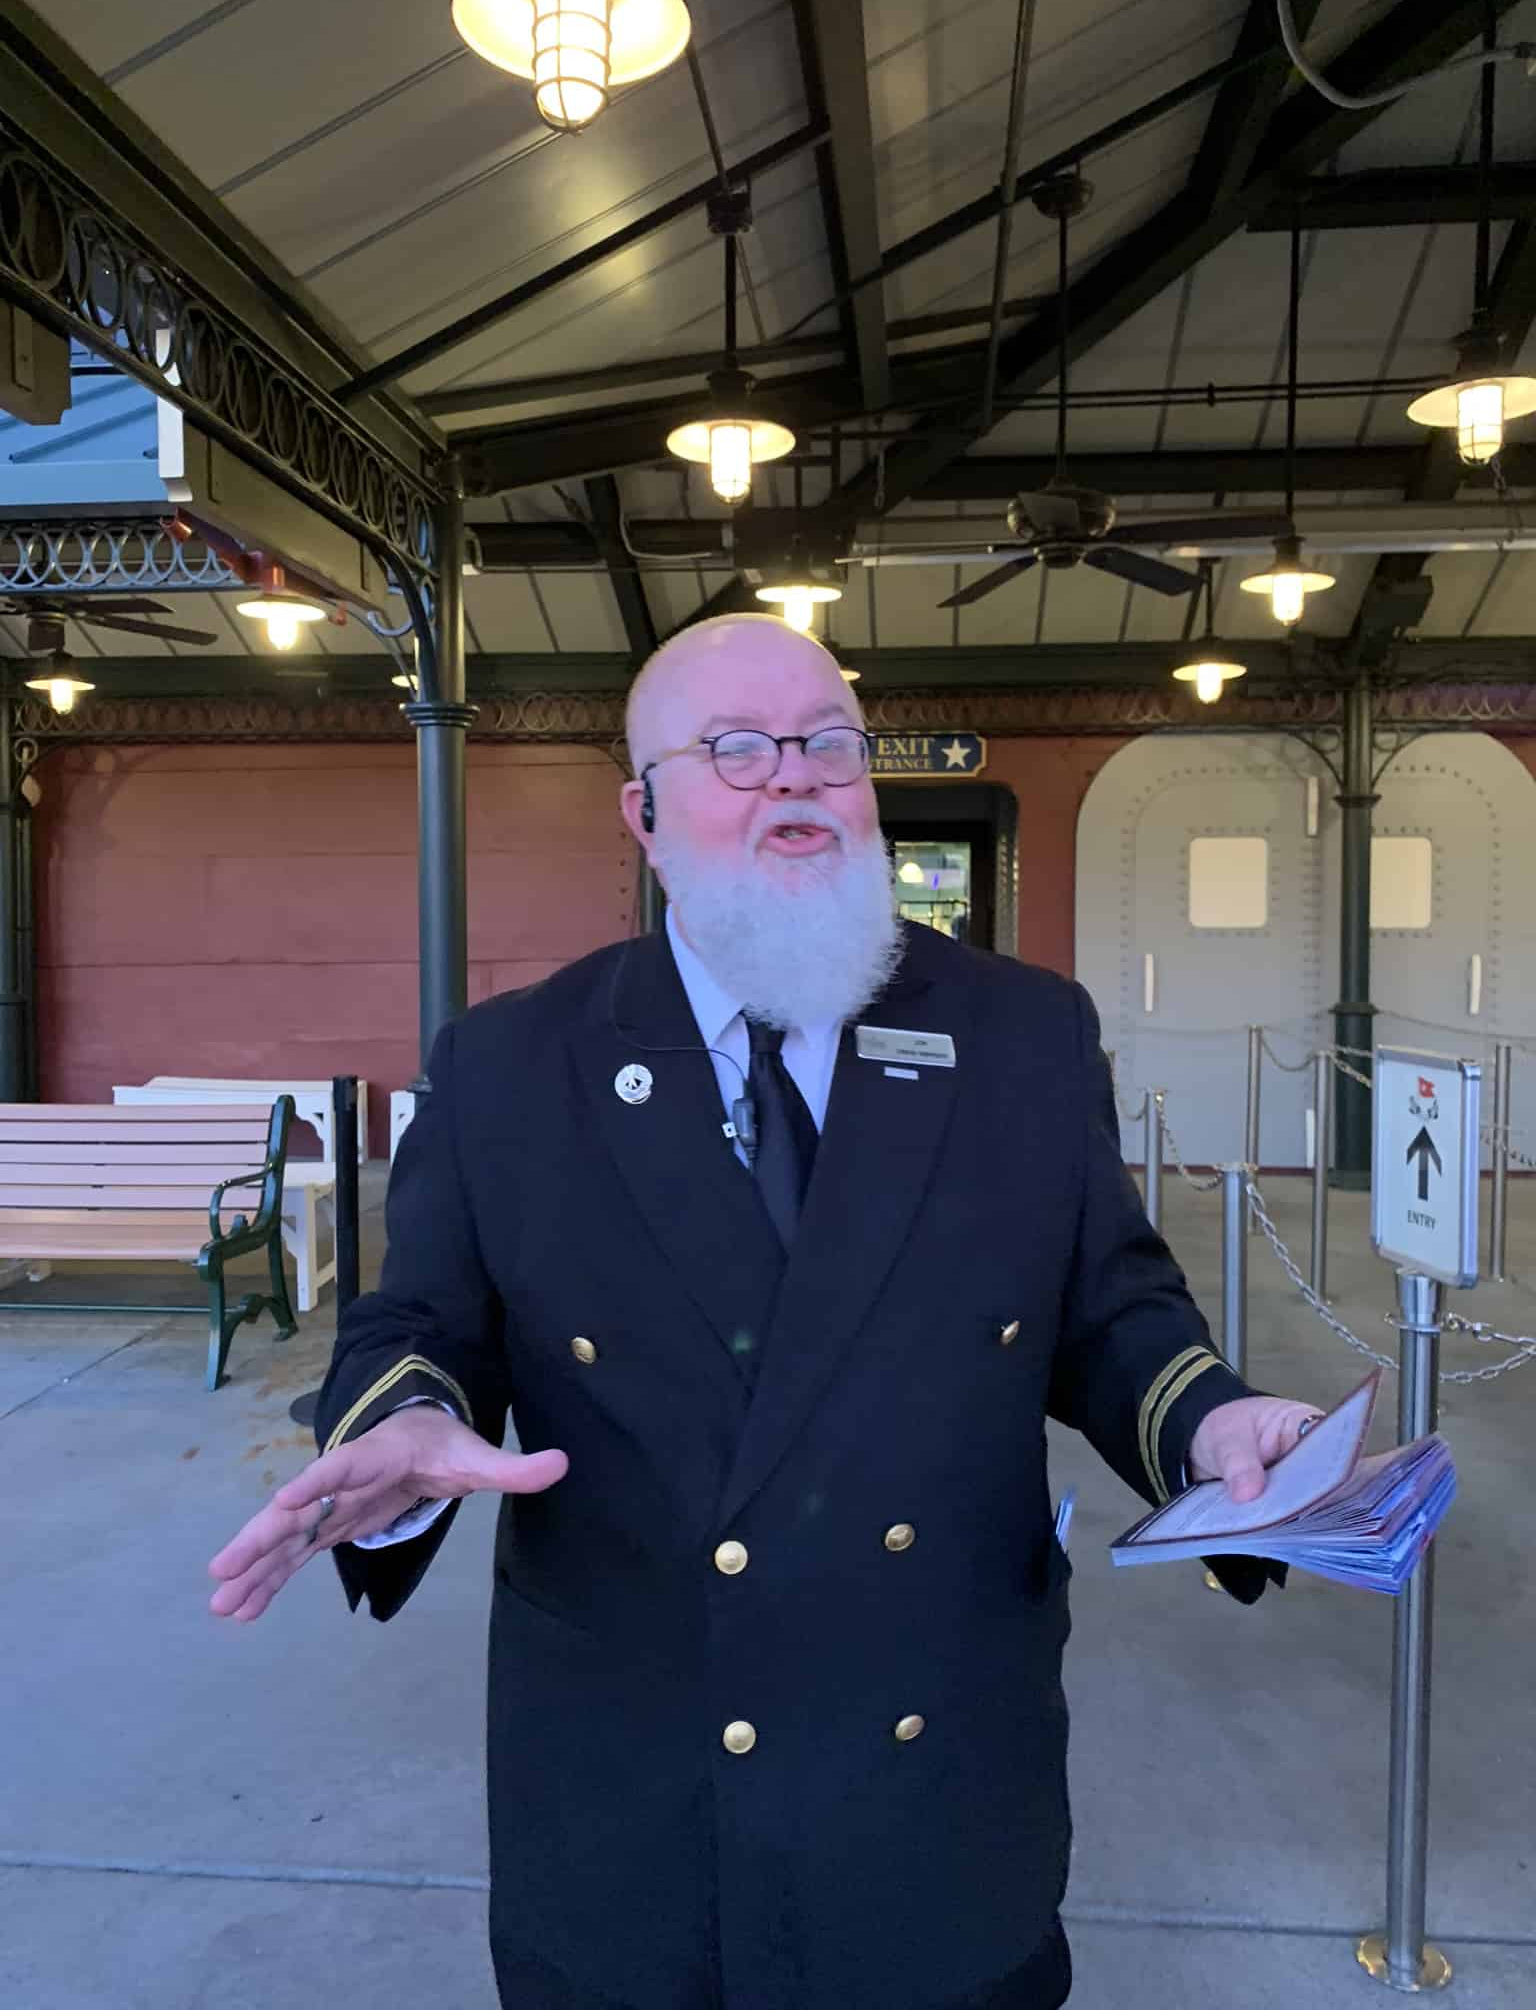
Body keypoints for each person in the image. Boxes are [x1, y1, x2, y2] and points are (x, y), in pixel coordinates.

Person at [210, 613, 1322, 2010]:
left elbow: (1109, 1309)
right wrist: (406, 1427)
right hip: (634, 1779)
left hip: (938, 1769)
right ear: (647, 811)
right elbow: (417, 1321)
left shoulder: (1022, 1031)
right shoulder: (512, 1066)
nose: (794, 777)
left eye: (828, 746)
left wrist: (1211, 1424)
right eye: (736, 749)